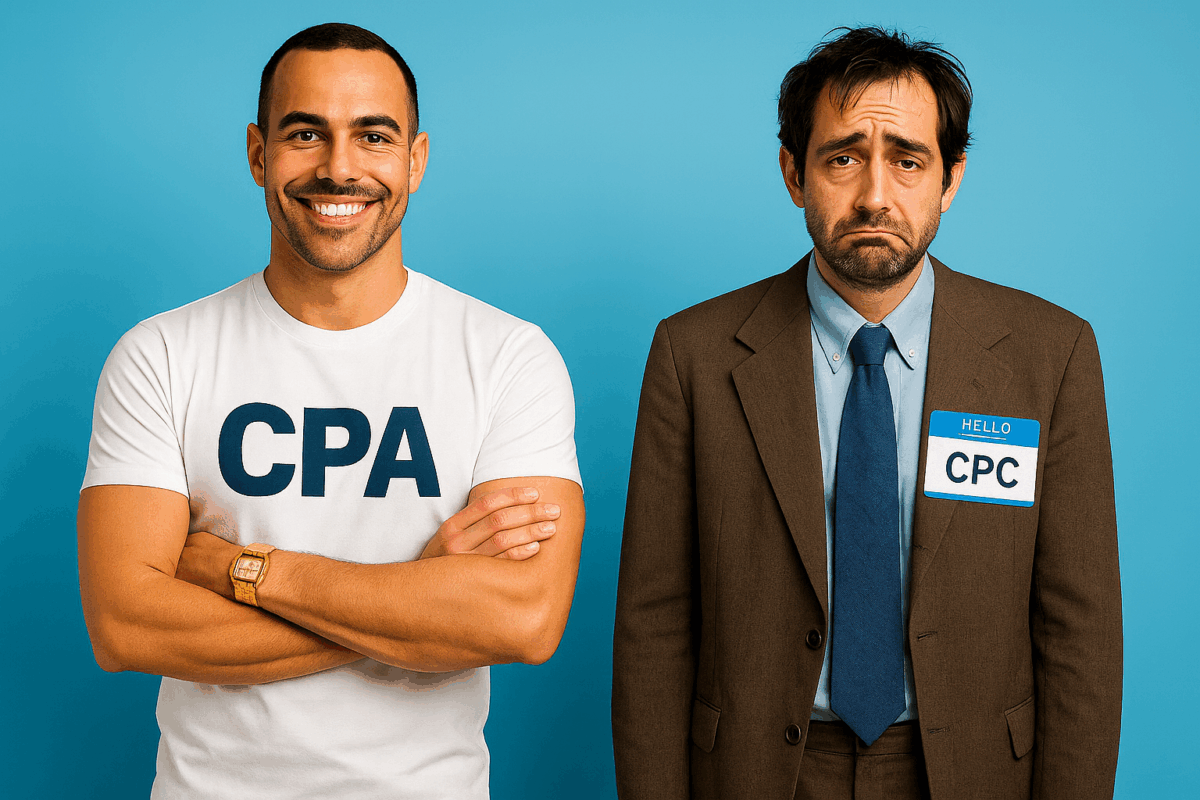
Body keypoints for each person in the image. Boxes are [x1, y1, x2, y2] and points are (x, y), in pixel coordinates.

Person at [77, 22, 584, 800]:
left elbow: (522, 621)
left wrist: (244, 570)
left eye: (373, 136)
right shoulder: (161, 355)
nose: (339, 168)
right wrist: (418, 598)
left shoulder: (508, 357)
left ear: (415, 160)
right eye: (305, 134)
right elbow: (126, 625)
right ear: (258, 153)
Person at [612, 26, 1120, 800]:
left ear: (951, 178)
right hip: (758, 771)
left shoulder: (1050, 358)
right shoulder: (694, 355)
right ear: (794, 173)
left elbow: (1079, 631)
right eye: (843, 157)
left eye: (908, 160)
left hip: (973, 771)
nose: (875, 194)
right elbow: (654, 625)